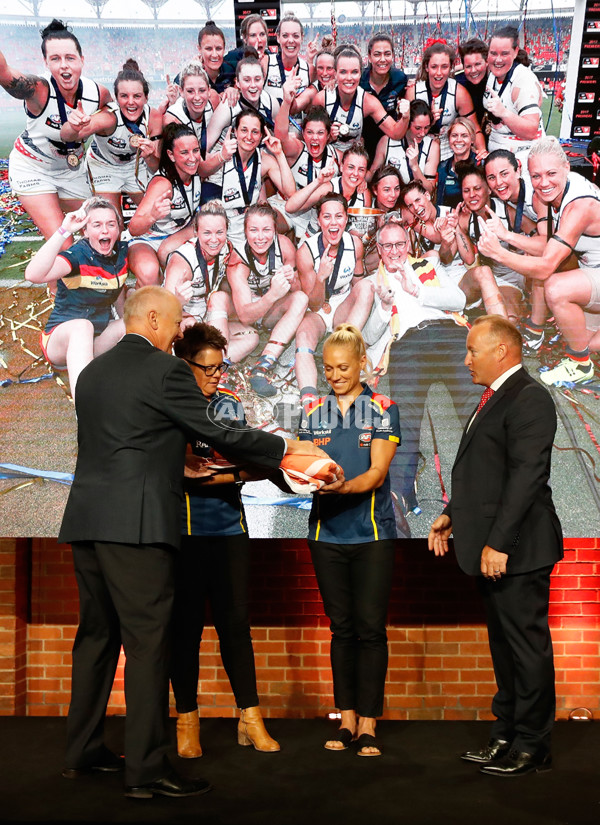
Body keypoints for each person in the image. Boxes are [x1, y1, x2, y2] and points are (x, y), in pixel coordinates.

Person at [58, 285, 327, 798]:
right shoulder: (166, 371)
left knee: (95, 639)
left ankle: (83, 750)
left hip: (88, 522)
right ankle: (146, 769)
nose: (180, 330)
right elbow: (216, 431)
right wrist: (286, 447)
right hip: (136, 528)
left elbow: (123, 441)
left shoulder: (92, 372)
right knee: (147, 645)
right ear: (153, 319)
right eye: (178, 320)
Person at [428, 315, 563, 777]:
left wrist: (499, 544)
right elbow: (484, 473)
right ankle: (505, 735)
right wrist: (452, 513)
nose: (466, 360)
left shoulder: (529, 398)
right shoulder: (494, 397)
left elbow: (526, 478)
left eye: (472, 351)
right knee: (505, 650)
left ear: (501, 352)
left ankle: (533, 744)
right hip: (491, 546)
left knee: (526, 650)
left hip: (518, 550)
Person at [170, 322, 280, 758]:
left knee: (236, 628)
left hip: (230, 529)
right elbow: (169, 465)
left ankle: (250, 718)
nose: (217, 375)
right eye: (208, 368)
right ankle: (187, 721)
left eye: (221, 367)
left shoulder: (230, 405)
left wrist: (221, 473)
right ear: (186, 365)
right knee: (186, 631)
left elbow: (255, 465)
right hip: (182, 531)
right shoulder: (169, 405)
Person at [298, 323, 400, 757]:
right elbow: (300, 467)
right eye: (328, 368)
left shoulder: (384, 407)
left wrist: (344, 487)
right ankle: (347, 719)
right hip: (326, 535)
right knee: (341, 630)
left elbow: (377, 474)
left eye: (343, 367)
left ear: (363, 363)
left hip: (372, 533)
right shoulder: (311, 412)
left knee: (370, 630)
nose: (335, 376)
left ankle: (370, 724)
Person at [362, 219, 478, 520]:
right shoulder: (373, 282)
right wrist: (384, 308)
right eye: (387, 246)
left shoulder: (427, 267)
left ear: (409, 244)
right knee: (404, 419)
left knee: (474, 404)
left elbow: (459, 299)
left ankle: (488, 485)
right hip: (407, 345)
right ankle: (398, 497)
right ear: (379, 248)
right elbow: (369, 337)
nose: (395, 251)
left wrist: (417, 291)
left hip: (448, 334)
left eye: (400, 244)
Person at [477, 137, 600, 385]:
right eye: (537, 176)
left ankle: (579, 364)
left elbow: (545, 264)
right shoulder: (558, 191)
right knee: (585, 342)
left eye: (551, 173)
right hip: (591, 269)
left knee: (554, 286)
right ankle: (572, 348)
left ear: (567, 167)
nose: (543, 183)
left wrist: (499, 251)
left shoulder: (579, 205)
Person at [1, 20, 111, 246]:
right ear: (45, 63)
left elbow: (116, 112)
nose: (64, 66)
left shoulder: (97, 92)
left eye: (70, 58)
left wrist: (95, 122)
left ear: (82, 59)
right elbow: (4, 73)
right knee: (62, 244)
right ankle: (56, 282)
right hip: (33, 170)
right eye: (55, 59)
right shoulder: (39, 90)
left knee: (100, 229)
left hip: (71, 173)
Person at [25, 197, 126, 398]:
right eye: (97, 225)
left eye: (111, 224)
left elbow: (118, 294)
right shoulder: (77, 255)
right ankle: (85, 407)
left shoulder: (120, 253)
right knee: (82, 326)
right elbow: (32, 275)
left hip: (95, 339)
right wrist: (64, 230)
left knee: (134, 322)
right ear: (85, 231)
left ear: (118, 230)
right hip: (61, 342)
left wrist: (126, 324)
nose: (105, 230)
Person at [294, 193, 373, 409]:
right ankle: (309, 402)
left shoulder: (355, 244)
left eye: (339, 216)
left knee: (367, 287)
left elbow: (358, 282)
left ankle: (347, 347)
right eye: (327, 217)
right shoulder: (306, 251)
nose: (333, 222)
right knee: (302, 341)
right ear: (319, 220)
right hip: (317, 308)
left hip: (341, 301)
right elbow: (313, 304)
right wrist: (320, 277)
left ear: (346, 219)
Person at [61, 60, 162, 217]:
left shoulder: (153, 117)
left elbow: (155, 167)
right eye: (124, 96)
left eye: (137, 96)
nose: (130, 102)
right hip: (104, 166)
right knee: (112, 219)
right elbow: (68, 136)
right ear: (116, 98)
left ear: (146, 98)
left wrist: (149, 156)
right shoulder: (109, 118)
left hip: (135, 165)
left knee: (153, 215)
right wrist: (75, 126)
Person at [226, 203, 307, 396]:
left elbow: (298, 290)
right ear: (245, 231)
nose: (260, 237)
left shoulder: (284, 246)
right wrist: (273, 294)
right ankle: (219, 362)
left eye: (266, 230)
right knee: (221, 299)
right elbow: (245, 316)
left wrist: (293, 279)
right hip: (244, 318)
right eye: (253, 230)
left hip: (271, 311)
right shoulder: (238, 260)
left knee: (301, 298)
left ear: (275, 230)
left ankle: (263, 365)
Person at [164, 200, 258, 363]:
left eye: (219, 232)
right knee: (192, 328)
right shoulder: (182, 261)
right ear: (196, 232)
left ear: (227, 231)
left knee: (251, 337)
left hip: (206, 315)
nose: (214, 239)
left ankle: (213, 362)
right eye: (207, 233)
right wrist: (178, 301)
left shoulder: (227, 249)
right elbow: (165, 312)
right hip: (183, 318)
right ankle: (211, 363)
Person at [128, 123, 202, 287]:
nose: (192, 158)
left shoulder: (197, 171)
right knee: (149, 272)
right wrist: (152, 216)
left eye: (195, 150)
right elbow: (133, 228)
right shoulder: (163, 184)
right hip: (146, 240)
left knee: (175, 265)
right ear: (171, 155)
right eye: (184, 152)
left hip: (175, 237)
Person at [312, 47, 410, 154]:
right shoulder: (322, 99)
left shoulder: (368, 102)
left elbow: (395, 133)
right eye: (343, 72)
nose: (349, 78)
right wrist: (327, 136)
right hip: (328, 158)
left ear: (360, 74)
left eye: (354, 72)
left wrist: (405, 117)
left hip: (354, 162)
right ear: (335, 74)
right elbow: (310, 136)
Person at [407, 40, 485, 161]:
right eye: (434, 67)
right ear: (426, 67)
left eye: (444, 67)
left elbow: (474, 128)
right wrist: (428, 121)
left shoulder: (459, 93)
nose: (439, 73)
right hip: (419, 148)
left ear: (451, 68)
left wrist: (482, 152)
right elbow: (404, 130)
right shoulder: (414, 92)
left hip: (449, 152)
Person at [484, 26, 544, 164]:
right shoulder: (492, 73)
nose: (498, 60)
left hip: (523, 158)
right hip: (498, 155)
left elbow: (531, 131)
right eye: (493, 53)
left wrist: (504, 113)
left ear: (515, 52)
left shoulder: (523, 80)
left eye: (504, 53)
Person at [369, 99, 439, 194]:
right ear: (408, 124)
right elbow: (372, 176)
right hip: (392, 198)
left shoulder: (432, 146)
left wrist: (415, 167)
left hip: (416, 201)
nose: (422, 133)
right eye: (417, 128)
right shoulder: (387, 141)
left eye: (426, 127)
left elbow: (430, 189)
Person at [359, 32, 408, 161]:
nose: (382, 59)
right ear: (369, 57)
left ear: (392, 56)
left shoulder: (400, 78)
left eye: (387, 54)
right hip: (363, 142)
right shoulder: (359, 80)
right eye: (377, 54)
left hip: (389, 140)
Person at [436, 117, 480, 208]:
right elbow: (439, 202)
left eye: (464, 135)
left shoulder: (481, 165)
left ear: (472, 140)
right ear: (449, 139)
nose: (459, 140)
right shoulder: (442, 168)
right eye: (454, 135)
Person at [454, 38, 489, 129]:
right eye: (468, 66)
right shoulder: (456, 84)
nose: (473, 70)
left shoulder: (496, 80)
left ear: (487, 62)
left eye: (477, 64)